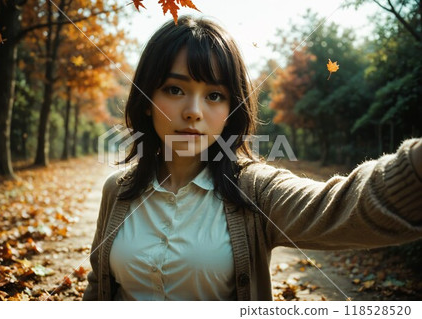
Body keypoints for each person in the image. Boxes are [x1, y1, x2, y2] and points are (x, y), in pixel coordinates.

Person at [83, 16, 422, 301]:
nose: (193, 112)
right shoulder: (119, 191)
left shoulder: (254, 192)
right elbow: (98, 288)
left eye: (215, 95)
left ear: (231, 111)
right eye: (175, 89)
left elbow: (342, 207)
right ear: (146, 97)